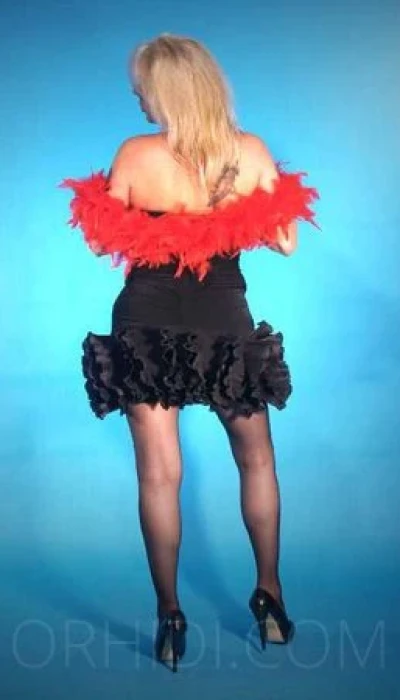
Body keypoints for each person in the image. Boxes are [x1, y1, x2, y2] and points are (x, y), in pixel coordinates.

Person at [61, 33, 319, 672]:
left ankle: (170, 616)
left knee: (158, 475)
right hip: (223, 318)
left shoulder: (134, 154)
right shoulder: (248, 153)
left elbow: (101, 243)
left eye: (142, 88)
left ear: (166, 91)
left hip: (145, 318)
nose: (137, 98)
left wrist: (156, 216)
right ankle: (270, 595)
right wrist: (229, 209)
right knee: (256, 460)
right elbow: (287, 242)